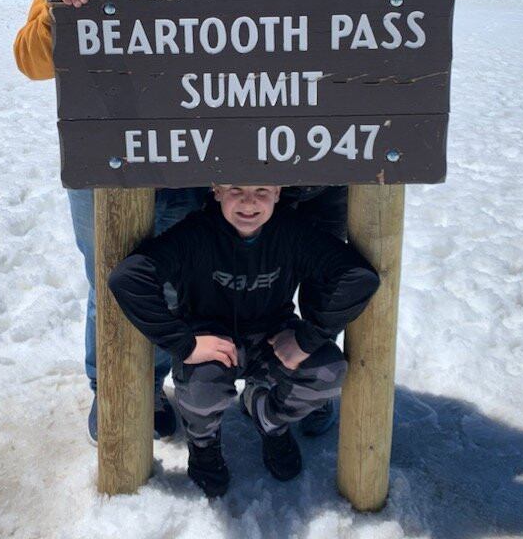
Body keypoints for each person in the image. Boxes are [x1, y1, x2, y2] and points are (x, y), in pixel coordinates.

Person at [155, 0, 437, 431]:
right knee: (221, 281)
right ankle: (215, 382)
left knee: (321, 280)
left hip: (322, 169)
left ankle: (298, 391)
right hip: (245, 172)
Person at [13, 0, 210, 443]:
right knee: (112, 282)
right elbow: (31, 62)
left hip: (193, 154)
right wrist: (58, 9)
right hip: (109, 158)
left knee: (177, 284)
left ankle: (167, 387)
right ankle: (116, 391)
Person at [107, 185, 380, 497]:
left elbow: (359, 276)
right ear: (217, 191)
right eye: (236, 189)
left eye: (262, 190)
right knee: (201, 388)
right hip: (213, 341)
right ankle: (204, 444)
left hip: (272, 338)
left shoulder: (290, 233)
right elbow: (128, 278)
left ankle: (269, 419)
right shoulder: (195, 234)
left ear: (278, 193)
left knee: (328, 370)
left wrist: (306, 339)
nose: (249, 202)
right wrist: (187, 345)